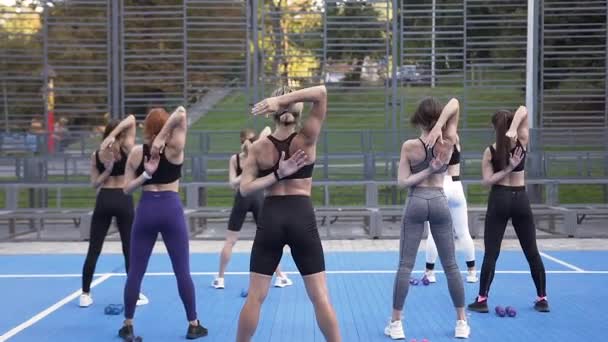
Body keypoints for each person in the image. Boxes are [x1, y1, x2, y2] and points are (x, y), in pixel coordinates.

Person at [235, 85, 341, 342]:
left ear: (274, 112)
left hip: (271, 216)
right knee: (320, 296)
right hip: (300, 215)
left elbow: (245, 188)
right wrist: (282, 99)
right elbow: (321, 93)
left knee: (255, 296)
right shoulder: (307, 138)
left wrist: (274, 175)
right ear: (297, 109)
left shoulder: (258, 147)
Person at [119, 107, 207, 340]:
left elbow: (127, 189)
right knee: (182, 271)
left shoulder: (137, 153)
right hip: (170, 208)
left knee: (135, 272)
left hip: (146, 208)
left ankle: (128, 324)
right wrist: (163, 137)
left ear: (146, 128)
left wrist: (146, 175)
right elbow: (181, 112)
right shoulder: (175, 148)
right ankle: (193, 323)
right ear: (166, 126)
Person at [385, 97, 470, 340]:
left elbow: (403, 182)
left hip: (416, 200)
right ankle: (461, 323)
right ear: (438, 118)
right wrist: (440, 126)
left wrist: (425, 170)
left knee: (405, 265)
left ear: (418, 119)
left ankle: (396, 324)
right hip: (439, 200)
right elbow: (455, 102)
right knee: (451, 265)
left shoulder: (409, 146)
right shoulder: (449, 140)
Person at [468, 106, 549, 313]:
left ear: (494, 128)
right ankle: (542, 299)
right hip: (520, 198)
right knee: (532, 252)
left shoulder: (490, 150)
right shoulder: (521, 141)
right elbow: (524, 109)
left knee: (491, 253)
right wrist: (513, 163)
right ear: (512, 124)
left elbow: (487, 182)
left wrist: (506, 168)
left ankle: (482, 299)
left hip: (499, 198)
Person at [80, 115, 148, 308]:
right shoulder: (128, 148)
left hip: (104, 199)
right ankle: (134, 294)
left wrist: (107, 170)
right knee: (129, 249)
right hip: (123, 198)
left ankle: (85, 293)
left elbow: (94, 184)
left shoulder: (98, 153)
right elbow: (133, 119)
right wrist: (117, 133)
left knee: (94, 248)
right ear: (121, 133)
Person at [212, 127, 293, 290]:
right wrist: (249, 169)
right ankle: (281, 276)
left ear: (241, 141)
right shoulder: (254, 157)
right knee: (269, 240)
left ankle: (220, 278)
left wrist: (243, 175)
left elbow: (232, 183)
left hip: (243, 195)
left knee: (231, 240)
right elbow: (269, 129)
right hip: (256, 196)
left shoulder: (237, 158)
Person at [424, 135, 477, 284]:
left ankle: (430, 273)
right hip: (456, 186)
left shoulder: (432, 141)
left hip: (440, 185)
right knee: (463, 232)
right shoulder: (455, 139)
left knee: (433, 233)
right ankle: (472, 272)